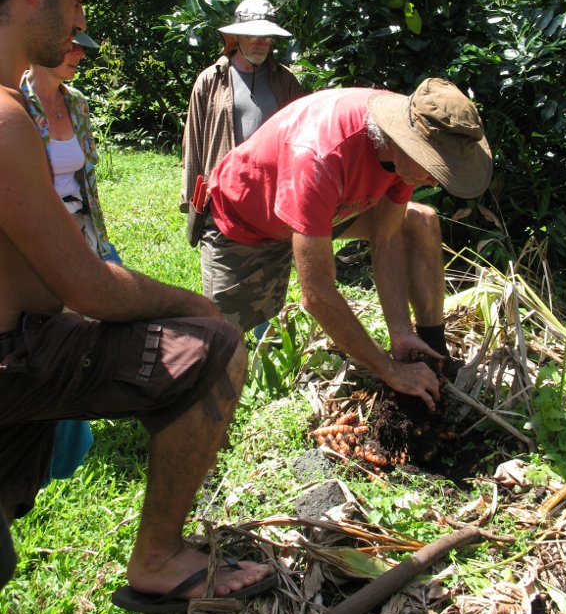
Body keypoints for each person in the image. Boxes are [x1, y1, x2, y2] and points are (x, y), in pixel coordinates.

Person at [0, 0, 274, 613]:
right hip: (13, 355)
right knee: (213, 344)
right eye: (79, 0)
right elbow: (87, 285)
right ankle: (158, 557)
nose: (81, 23)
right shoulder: (4, 118)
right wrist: (198, 305)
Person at [202, 80, 493, 411]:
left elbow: (387, 235)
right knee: (220, 342)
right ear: (403, 144)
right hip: (248, 219)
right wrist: (389, 370)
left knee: (419, 222)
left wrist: (399, 331)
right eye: (435, 168)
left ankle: (433, 353)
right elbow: (318, 295)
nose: (437, 181)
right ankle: (204, 422)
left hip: (326, 207)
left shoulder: (411, 133)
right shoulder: (320, 157)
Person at [20, 31, 117, 483]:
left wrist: (96, 242)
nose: (80, 54)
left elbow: (85, 182)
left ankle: (71, 441)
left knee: (85, 336)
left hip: (81, 235)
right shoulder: (14, 102)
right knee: (51, 340)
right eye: (72, 45)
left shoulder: (75, 101)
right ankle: (52, 453)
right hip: (36, 244)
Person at [181, 0, 303, 249]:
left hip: (273, 207)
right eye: (252, 35)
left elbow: (301, 141)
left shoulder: (286, 81)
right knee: (222, 286)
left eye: (266, 36)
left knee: (271, 286)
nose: (261, 42)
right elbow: (192, 143)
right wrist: (191, 202)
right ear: (236, 36)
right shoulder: (210, 80)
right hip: (223, 208)